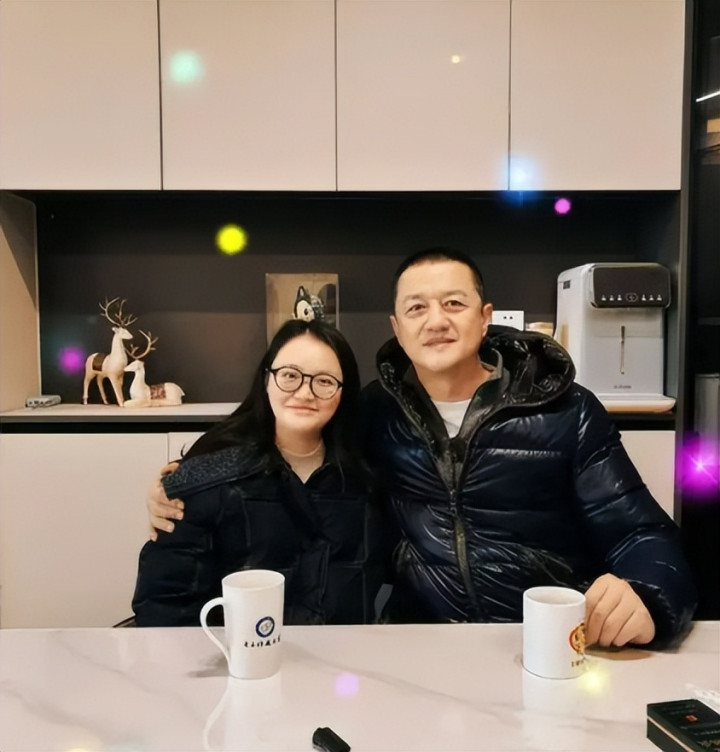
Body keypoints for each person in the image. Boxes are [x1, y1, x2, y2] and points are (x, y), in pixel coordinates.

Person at [148, 249, 697, 648]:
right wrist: (181, 483)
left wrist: (647, 595)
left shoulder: (567, 411)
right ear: (397, 326)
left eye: (454, 303)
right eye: (416, 309)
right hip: (423, 646)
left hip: (551, 641)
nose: (436, 321)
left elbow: (641, 533)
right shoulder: (374, 412)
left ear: (485, 317)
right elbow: (283, 447)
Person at [132, 318, 391, 627]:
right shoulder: (208, 475)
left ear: (343, 392)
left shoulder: (367, 479)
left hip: (344, 655)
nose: (305, 392)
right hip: (232, 654)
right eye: (290, 375)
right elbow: (164, 606)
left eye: (324, 381)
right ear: (267, 379)